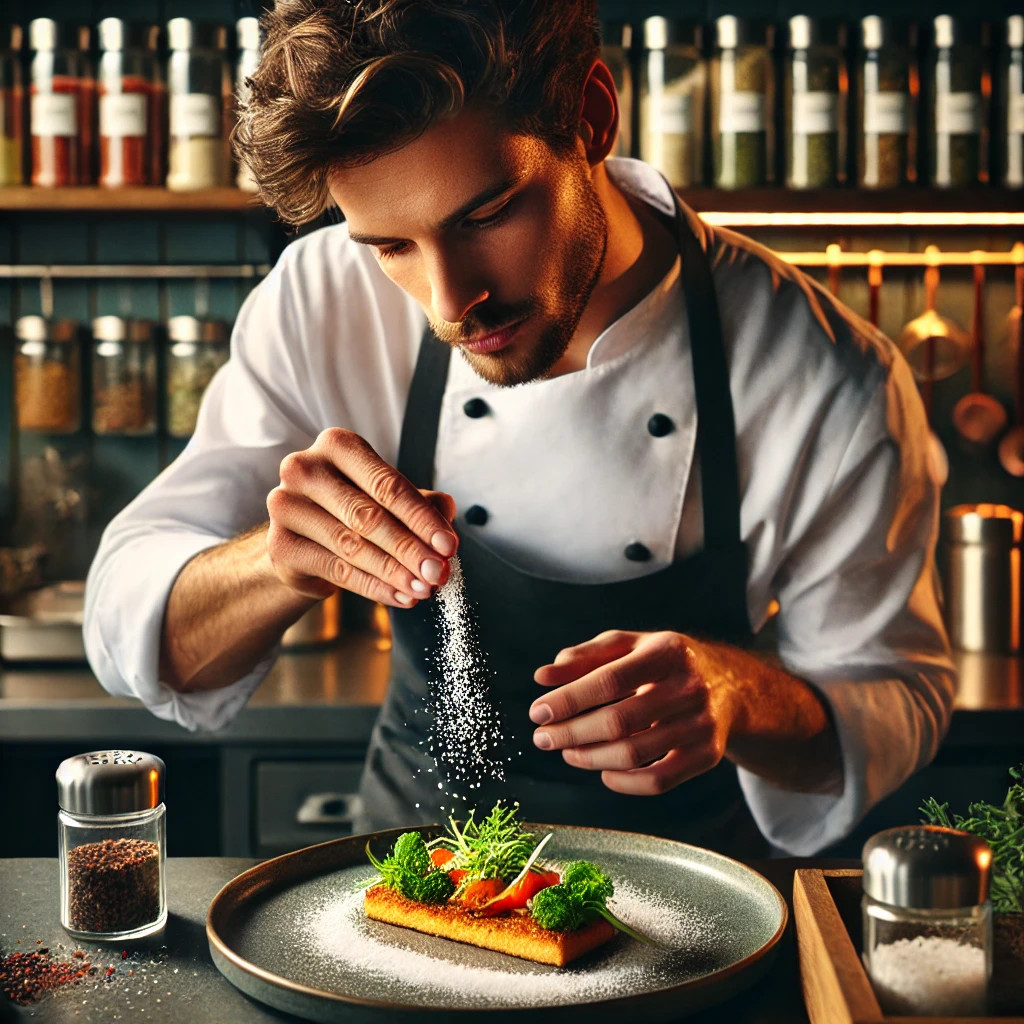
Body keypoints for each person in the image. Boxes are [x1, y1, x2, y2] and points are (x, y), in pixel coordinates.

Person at [84, 0, 955, 857]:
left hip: (698, 925)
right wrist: (277, 563)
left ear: (592, 117)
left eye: (487, 214)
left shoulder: (823, 372)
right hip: (398, 905)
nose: (450, 302)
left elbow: (894, 696)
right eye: (390, 247)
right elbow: (132, 629)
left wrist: (738, 695)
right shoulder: (320, 299)